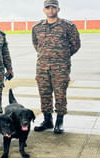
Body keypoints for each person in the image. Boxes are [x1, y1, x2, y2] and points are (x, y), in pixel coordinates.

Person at [32, 0, 81, 134]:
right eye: (48, 7)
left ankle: (59, 121)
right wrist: (46, 55)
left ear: (58, 9)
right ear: (44, 10)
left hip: (61, 67)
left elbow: (76, 45)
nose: (51, 10)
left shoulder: (68, 26)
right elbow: (36, 44)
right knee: (44, 94)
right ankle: (47, 120)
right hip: (42, 67)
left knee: (60, 94)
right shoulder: (37, 27)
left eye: (53, 7)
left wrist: (63, 56)